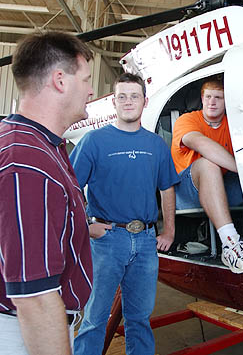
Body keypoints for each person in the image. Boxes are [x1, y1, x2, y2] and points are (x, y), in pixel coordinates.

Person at [0, 31, 94, 355]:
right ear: (60, 80)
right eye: (85, 79)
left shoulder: (33, 145)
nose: (90, 90)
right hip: (18, 336)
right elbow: (36, 298)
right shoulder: (26, 162)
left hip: (18, 331)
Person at [71, 72, 179, 355]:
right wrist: (84, 224)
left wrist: (169, 231)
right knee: (95, 319)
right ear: (114, 103)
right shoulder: (94, 141)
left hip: (145, 241)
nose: (128, 102)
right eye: (122, 96)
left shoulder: (155, 144)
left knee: (139, 320)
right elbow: (68, 188)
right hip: (107, 241)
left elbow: (167, 188)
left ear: (144, 102)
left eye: (134, 96)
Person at [171, 76, 243, 274]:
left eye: (218, 97)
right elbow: (200, 143)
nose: (212, 102)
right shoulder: (188, 119)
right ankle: (230, 244)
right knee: (209, 163)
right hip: (186, 190)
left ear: (226, 101)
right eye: (208, 96)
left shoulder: (233, 124)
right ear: (202, 99)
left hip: (223, 185)